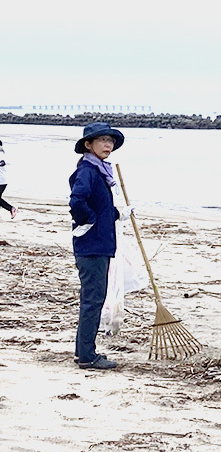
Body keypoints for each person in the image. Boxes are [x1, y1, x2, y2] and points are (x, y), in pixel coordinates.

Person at [69, 122, 133, 370]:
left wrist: (118, 214)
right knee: (93, 300)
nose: (108, 145)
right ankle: (87, 356)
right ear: (88, 144)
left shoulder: (99, 170)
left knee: (92, 298)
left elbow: (100, 206)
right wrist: (88, 221)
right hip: (92, 245)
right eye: (103, 140)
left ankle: (81, 351)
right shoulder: (88, 170)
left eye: (111, 141)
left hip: (99, 243)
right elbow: (77, 201)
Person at [0, 140, 17, 219]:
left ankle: (11, 208)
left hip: (1, 181)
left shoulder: (2, 154)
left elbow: (3, 162)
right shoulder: (3, 154)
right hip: (3, 181)